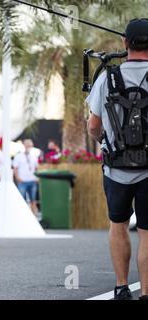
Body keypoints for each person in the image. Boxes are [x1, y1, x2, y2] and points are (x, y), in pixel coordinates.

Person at [86, 18, 148, 300]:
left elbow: (93, 126)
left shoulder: (106, 78)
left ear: (125, 43)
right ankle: (146, 292)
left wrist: (105, 144)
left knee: (118, 224)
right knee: (147, 232)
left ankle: (122, 287)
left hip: (115, 168)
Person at [13, 139, 39, 216]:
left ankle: (34, 217)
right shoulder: (18, 156)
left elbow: (36, 168)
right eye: (27, 145)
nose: (29, 147)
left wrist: (37, 178)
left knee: (33, 200)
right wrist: (18, 178)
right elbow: (15, 168)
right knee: (22, 200)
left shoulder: (34, 156)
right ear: (24, 146)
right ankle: (22, 216)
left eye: (30, 145)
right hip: (22, 181)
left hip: (32, 181)